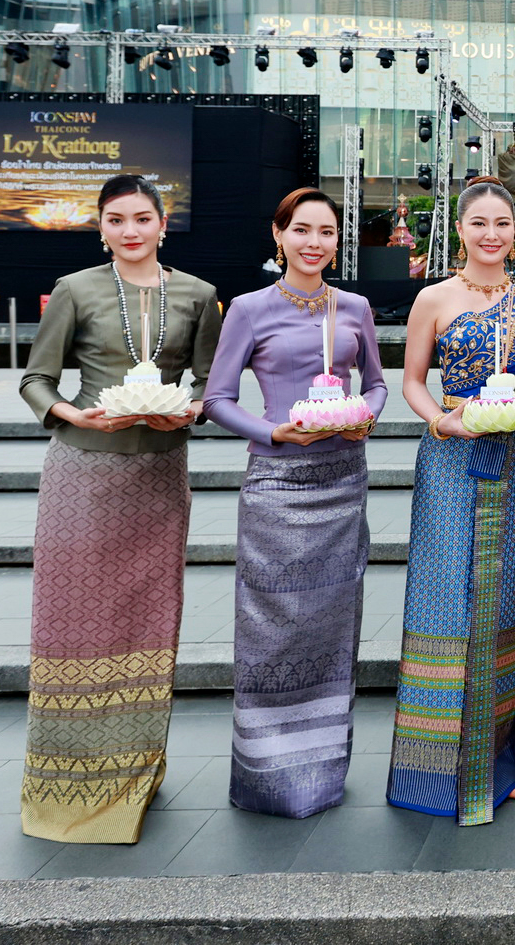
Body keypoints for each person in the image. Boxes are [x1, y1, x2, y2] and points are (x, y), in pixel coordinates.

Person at [17, 174, 223, 843]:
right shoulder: (76, 290)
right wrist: (75, 414)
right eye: (116, 220)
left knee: (147, 619)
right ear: (100, 228)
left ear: (163, 224)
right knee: (73, 620)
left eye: (142, 218)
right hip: (83, 472)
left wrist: (188, 413)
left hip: (159, 474)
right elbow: (35, 380)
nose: (130, 230)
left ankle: (136, 769)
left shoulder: (198, 295)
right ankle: (66, 776)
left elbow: (211, 383)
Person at [202, 188, 386, 818]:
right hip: (277, 485)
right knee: (271, 629)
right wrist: (272, 432)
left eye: (327, 232)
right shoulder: (249, 310)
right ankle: (266, 775)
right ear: (277, 235)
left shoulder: (355, 306)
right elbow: (217, 400)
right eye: (302, 230)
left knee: (334, 627)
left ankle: (322, 772)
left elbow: (380, 385)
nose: (315, 243)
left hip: (342, 480)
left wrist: (365, 417)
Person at [389, 175, 515, 824]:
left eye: (503, 224)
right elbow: (411, 381)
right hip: (451, 457)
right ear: (459, 230)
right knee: (444, 600)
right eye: (480, 223)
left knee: (502, 600)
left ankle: (493, 761)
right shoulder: (433, 298)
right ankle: (432, 769)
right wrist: (443, 420)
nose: (492, 235)